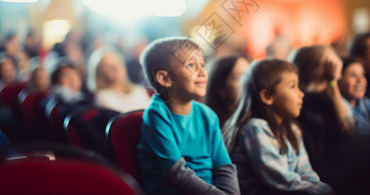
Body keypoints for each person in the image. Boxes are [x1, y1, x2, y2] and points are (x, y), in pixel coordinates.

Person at [137, 37, 240, 195]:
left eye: (202, 65)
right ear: (165, 78)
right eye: (191, 65)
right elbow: (177, 173)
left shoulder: (208, 115)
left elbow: (223, 167)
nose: (202, 72)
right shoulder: (156, 114)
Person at [223, 58, 333, 194]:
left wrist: (320, 188)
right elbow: (278, 179)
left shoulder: (292, 129)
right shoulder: (255, 128)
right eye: (292, 86)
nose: (301, 93)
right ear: (267, 96)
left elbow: (305, 172)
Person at [291, 45, 354, 187]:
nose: (338, 65)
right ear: (319, 68)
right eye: (331, 62)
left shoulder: (329, 97)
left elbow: (348, 127)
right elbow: (317, 160)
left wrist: (333, 82)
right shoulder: (306, 105)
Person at [338, 58, 370, 138]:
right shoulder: (341, 109)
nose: (360, 80)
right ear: (338, 79)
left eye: (362, 75)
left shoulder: (365, 103)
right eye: (353, 75)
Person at [86, 48, 150, 113]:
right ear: (100, 73)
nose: (116, 68)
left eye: (118, 63)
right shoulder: (103, 97)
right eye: (108, 66)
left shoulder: (139, 90)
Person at [205, 55, 249, 128]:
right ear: (221, 87)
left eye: (249, 76)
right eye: (240, 77)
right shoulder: (209, 126)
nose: (248, 82)